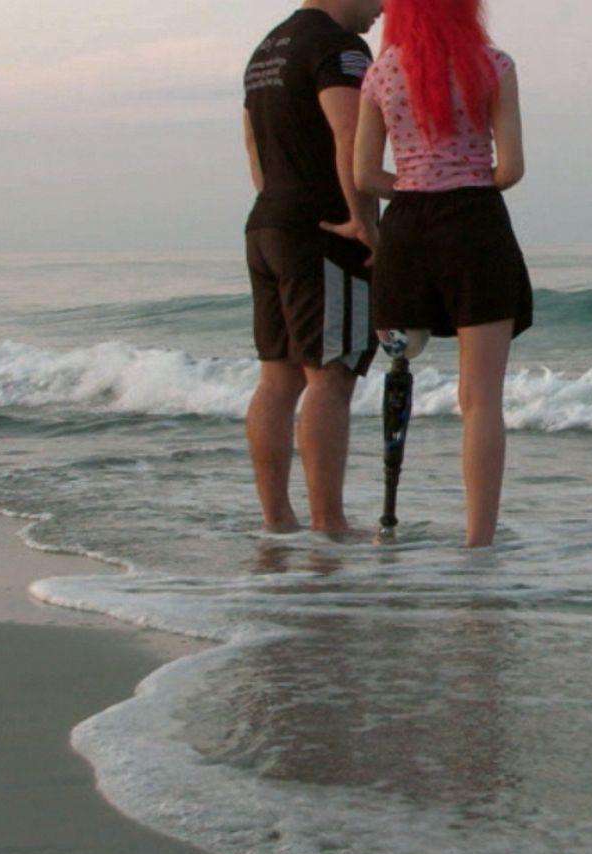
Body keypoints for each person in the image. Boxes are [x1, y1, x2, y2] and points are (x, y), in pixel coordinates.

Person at [353, 0, 532, 547]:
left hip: (408, 230)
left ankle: (388, 516)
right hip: (474, 223)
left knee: (403, 358)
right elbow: (511, 169)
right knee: (480, 400)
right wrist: (465, 178)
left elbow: (364, 173)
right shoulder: (493, 65)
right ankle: (478, 541)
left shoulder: (380, 73)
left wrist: (414, 184)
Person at [241, 0, 385, 535]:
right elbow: (351, 135)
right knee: (331, 373)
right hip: (323, 230)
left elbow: (253, 143)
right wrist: (363, 221)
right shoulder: (340, 47)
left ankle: (278, 522)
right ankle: (330, 523)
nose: (384, 8)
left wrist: (279, 202)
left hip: (268, 222)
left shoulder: (266, 50)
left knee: (277, 380)